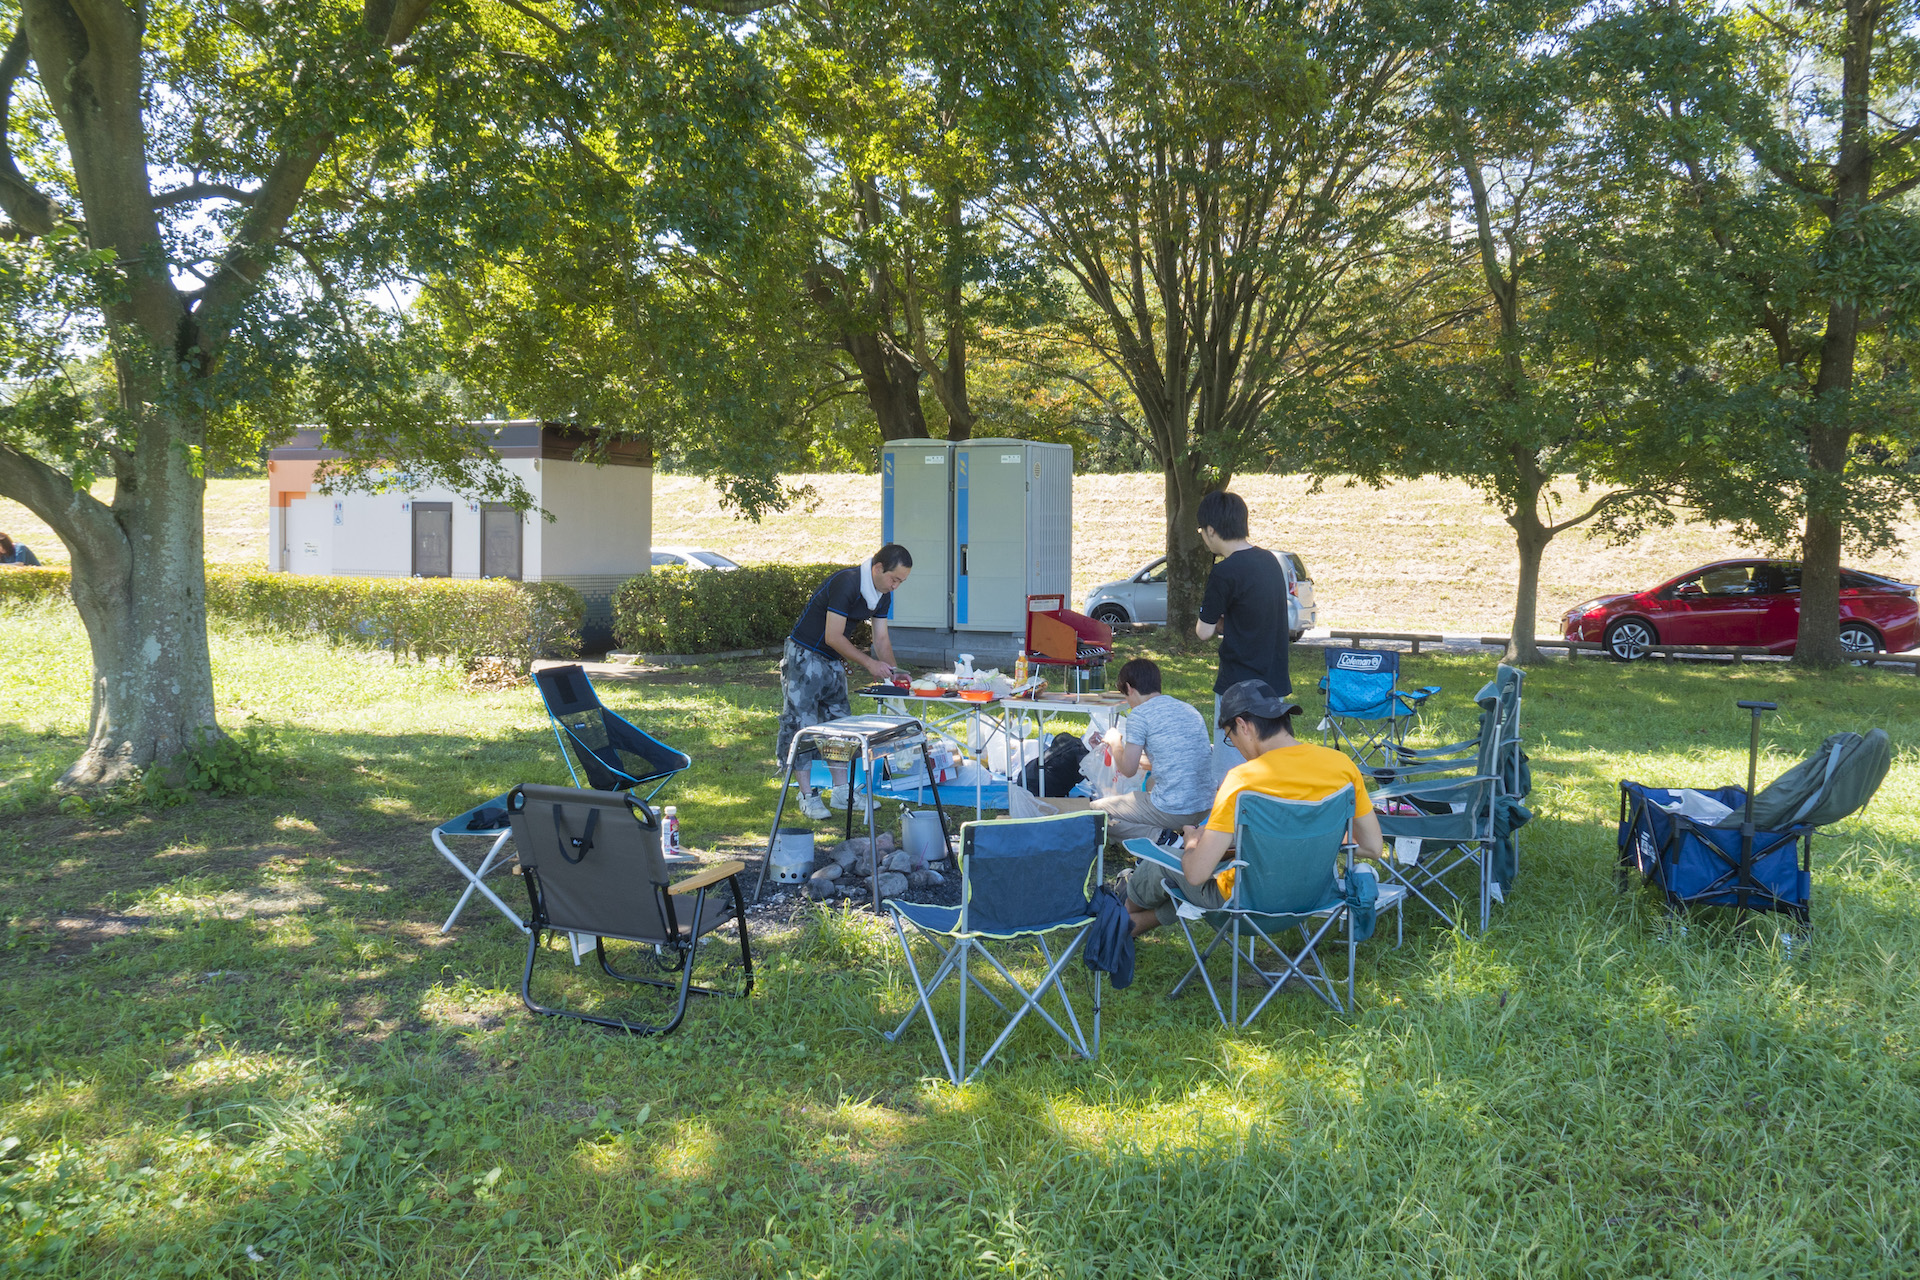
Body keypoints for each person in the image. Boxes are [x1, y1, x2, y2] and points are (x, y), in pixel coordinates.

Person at [1119, 679, 1383, 938]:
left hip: (1246, 906)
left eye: (1230, 738)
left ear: (1243, 726)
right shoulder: (1342, 765)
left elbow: (1197, 874)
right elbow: (1373, 847)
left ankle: (1116, 918)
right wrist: (1313, 839)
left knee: (1165, 862)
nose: (1236, 748)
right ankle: (1127, 926)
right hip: (1311, 898)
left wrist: (1191, 842)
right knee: (1181, 883)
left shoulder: (1242, 780)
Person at [778, 545, 913, 818]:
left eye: (901, 581)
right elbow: (833, 636)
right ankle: (807, 795)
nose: (896, 586)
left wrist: (894, 670)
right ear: (878, 568)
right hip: (804, 655)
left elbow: (881, 639)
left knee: (839, 724)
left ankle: (842, 791)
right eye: (894, 579)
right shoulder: (846, 583)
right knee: (802, 724)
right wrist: (870, 663)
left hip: (832, 660)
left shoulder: (882, 594)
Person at [1043, 657, 1213, 845]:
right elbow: (1168, 759)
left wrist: (1115, 742)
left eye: (1125, 694)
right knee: (1150, 785)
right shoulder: (1188, 709)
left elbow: (1128, 769)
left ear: (1129, 688)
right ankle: (1181, 833)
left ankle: (1163, 839)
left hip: (1176, 809)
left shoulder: (1140, 714)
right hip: (1204, 804)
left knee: (1097, 813)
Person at [1193, 490, 1293, 773]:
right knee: (1270, 766)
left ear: (1211, 530)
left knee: (1231, 770)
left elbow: (1203, 631)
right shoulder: (1270, 561)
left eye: (1202, 530)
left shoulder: (1224, 572)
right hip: (1274, 683)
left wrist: (1213, 621)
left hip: (1237, 687)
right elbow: (1256, 614)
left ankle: (1230, 818)